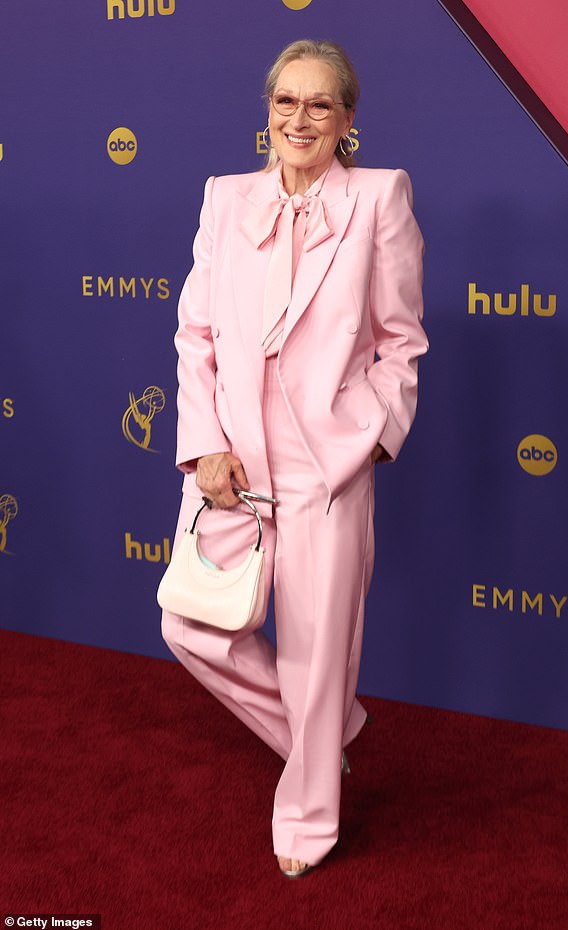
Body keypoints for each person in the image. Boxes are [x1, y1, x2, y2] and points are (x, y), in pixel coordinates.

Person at [161, 38, 428, 878]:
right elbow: (196, 334)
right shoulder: (223, 198)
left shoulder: (380, 198)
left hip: (326, 469)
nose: (299, 119)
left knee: (317, 658)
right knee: (190, 626)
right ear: (266, 111)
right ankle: (321, 739)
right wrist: (202, 442)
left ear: (348, 119)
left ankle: (310, 822)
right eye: (286, 102)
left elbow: (400, 341)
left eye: (319, 104)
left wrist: (371, 433)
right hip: (231, 468)